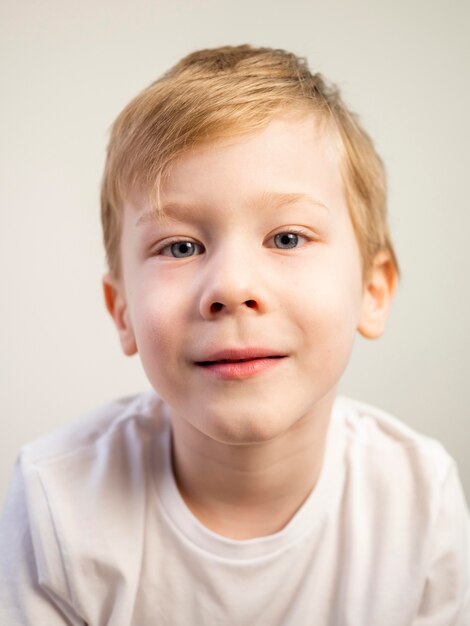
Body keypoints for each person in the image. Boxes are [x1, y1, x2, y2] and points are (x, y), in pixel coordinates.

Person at [1, 44, 469, 626]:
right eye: (180, 246)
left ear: (372, 292)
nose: (231, 286)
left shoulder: (419, 500)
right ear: (121, 311)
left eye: (288, 238)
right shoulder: (58, 507)